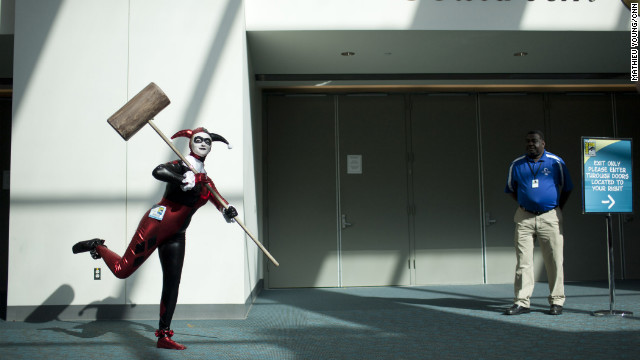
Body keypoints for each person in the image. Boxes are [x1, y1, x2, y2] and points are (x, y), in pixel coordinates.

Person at [72, 127, 238, 349]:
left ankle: (164, 336)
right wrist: (181, 178)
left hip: (177, 235)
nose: (203, 144)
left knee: (172, 282)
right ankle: (98, 246)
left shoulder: (206, 181)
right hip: (156, 225)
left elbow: (221, 202)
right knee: (122, 270)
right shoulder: (181, 165)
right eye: (197, 140)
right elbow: (158, 171)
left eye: (207, 141)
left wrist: (228, 210)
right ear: (190, 142)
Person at [504, 130, 572, 316]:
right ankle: (522, 302)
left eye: (534, 141)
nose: (530, 144)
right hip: (524, 217)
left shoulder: (556, 162)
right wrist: (525, 202)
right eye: (527, 142)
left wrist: (556, 208)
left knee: (554, 260)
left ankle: (557, 301)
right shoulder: (517, 164)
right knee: (523, 262)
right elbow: (510, 189)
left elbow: (567, 188)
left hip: (550, 216)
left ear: (543, 143)